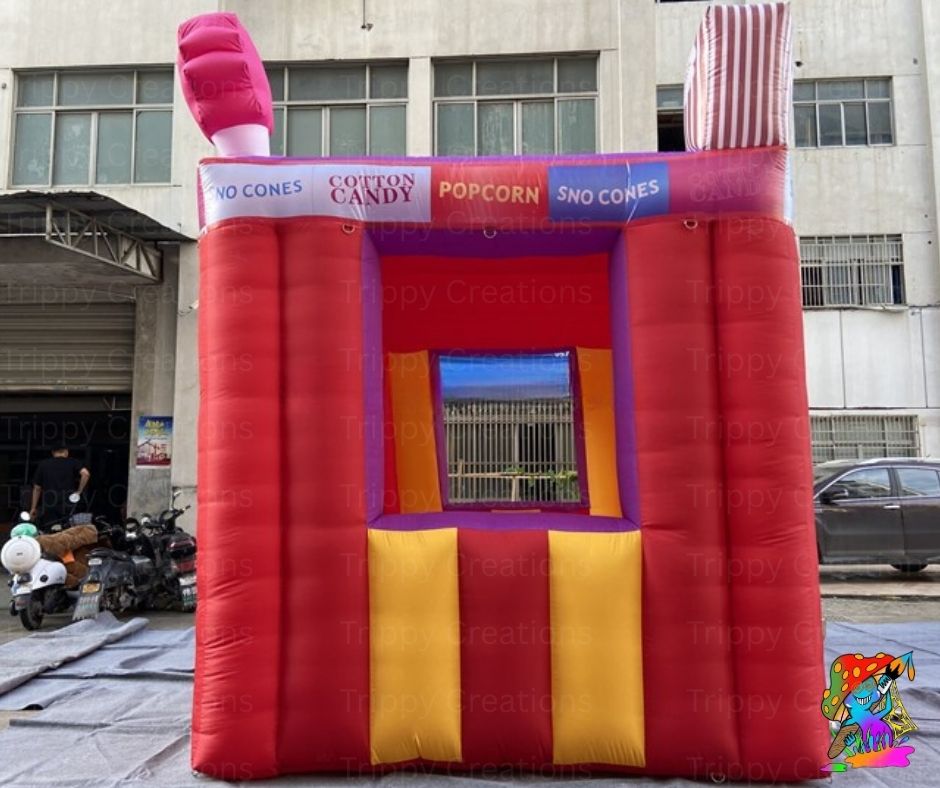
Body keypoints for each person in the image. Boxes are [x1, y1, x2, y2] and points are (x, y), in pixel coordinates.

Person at [29, 447, 90, 530]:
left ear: (53, 452)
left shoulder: (44, 464)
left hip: (50, 505)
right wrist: (79, 492)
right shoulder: (73, 462)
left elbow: (37, 488)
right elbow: (85, 474)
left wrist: (33, 508)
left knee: (52, 532)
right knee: (70, 532)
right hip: (69, 505)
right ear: (66, 452)